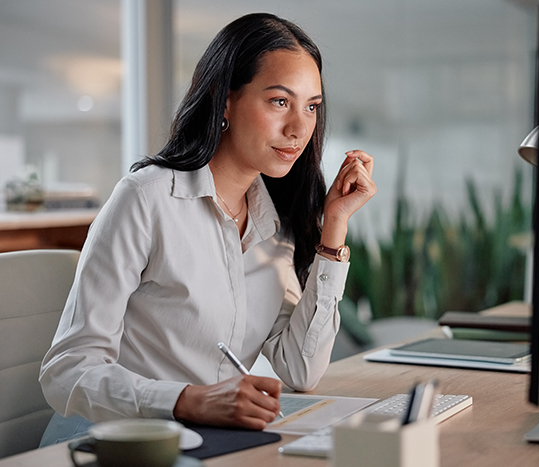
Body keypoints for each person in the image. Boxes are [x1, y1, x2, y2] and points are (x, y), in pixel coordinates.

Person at [39, 12, 376, 445]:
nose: (299, 128)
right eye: (279, 101)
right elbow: (67, 372)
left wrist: (334, 227)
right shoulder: (147, 198)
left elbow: (301, 369)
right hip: (107, 444)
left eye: (311, 107)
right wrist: (189, 400)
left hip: (207, 443)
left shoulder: (277, 223)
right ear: (225, 99)